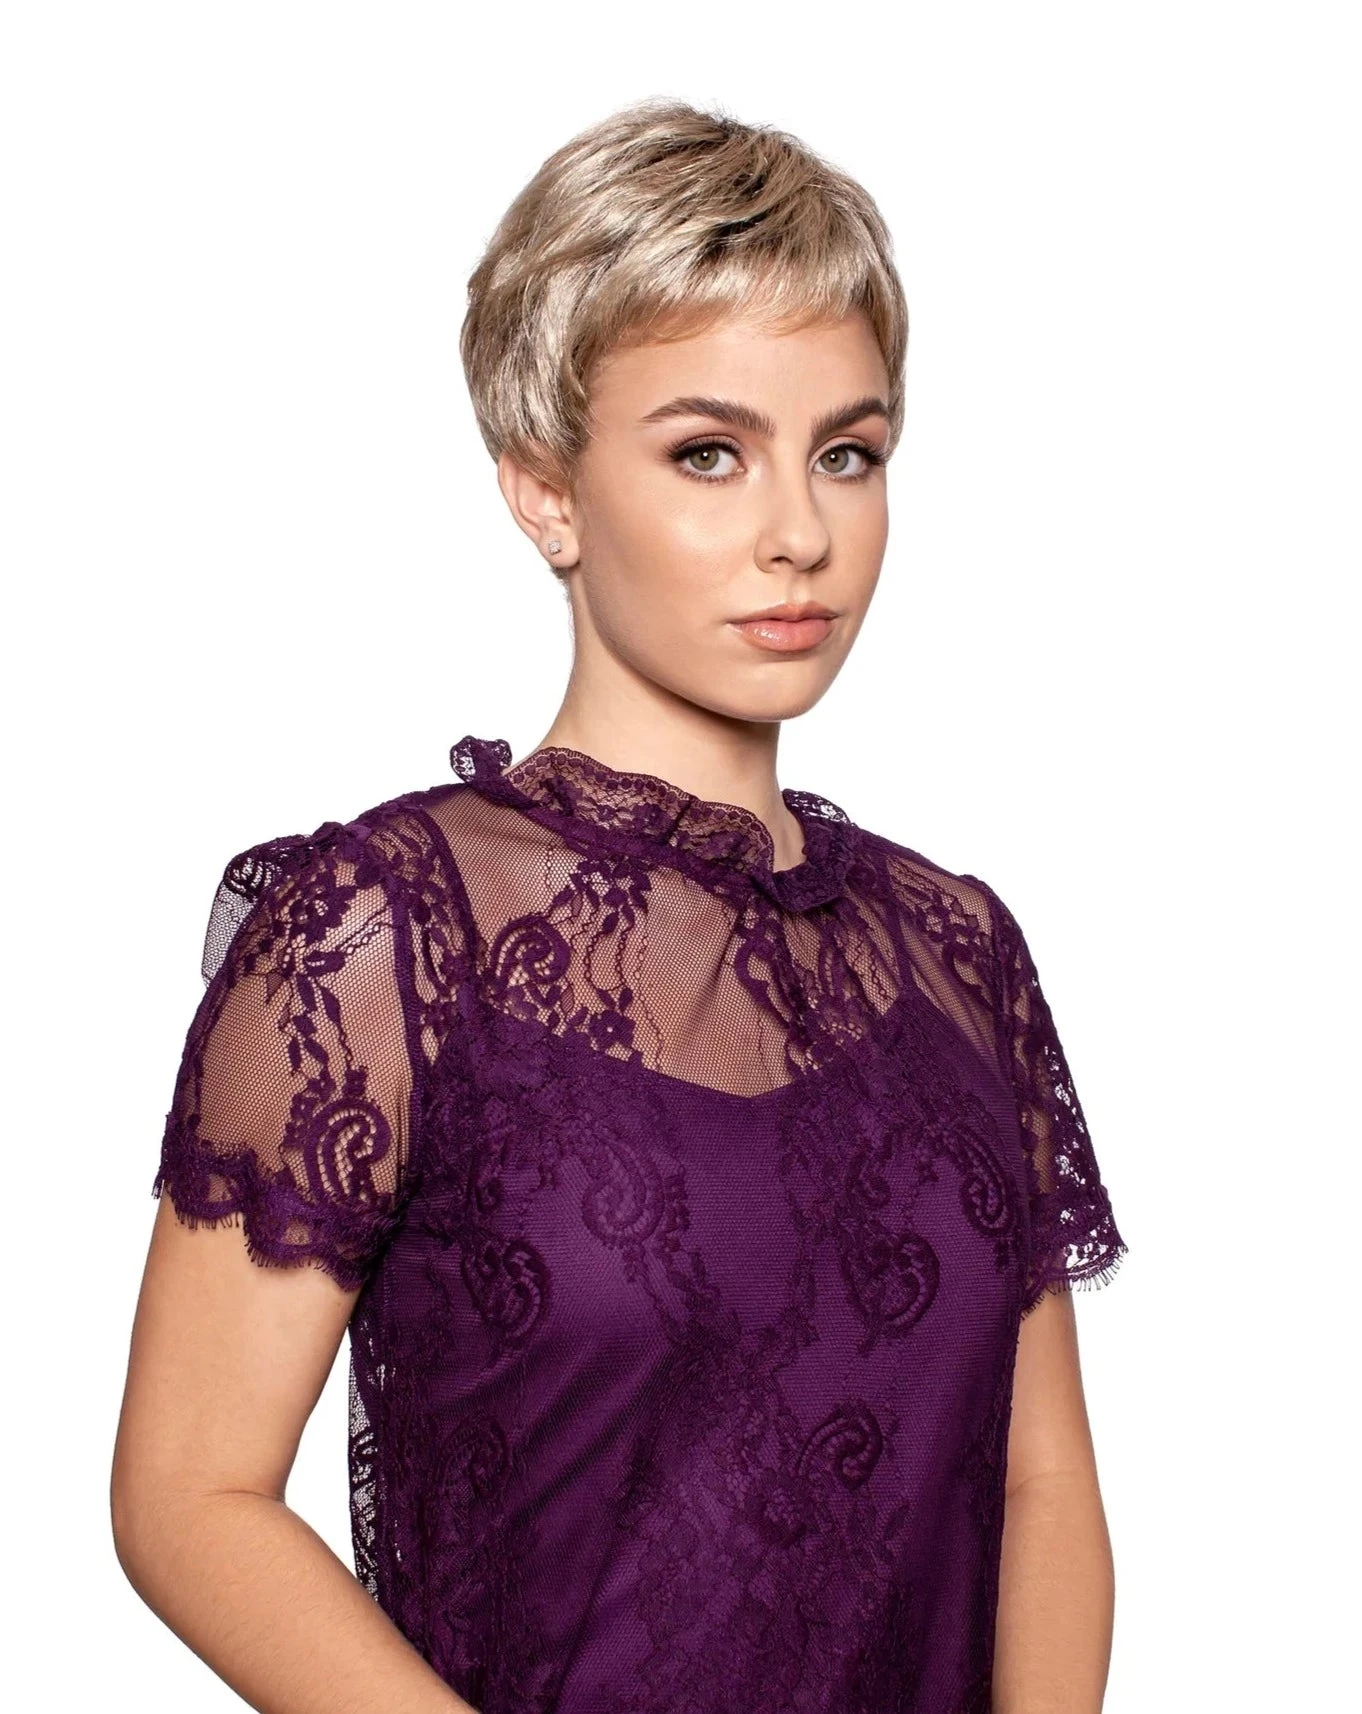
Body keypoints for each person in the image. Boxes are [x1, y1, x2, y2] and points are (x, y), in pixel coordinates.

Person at [112, 99, 1128, 1714]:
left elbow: (1038, 1483)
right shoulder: (384, 933)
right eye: (707, 453)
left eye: (848, 453)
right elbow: (189, 1492)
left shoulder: (954, 951)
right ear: (544, 491)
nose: (800, 533)